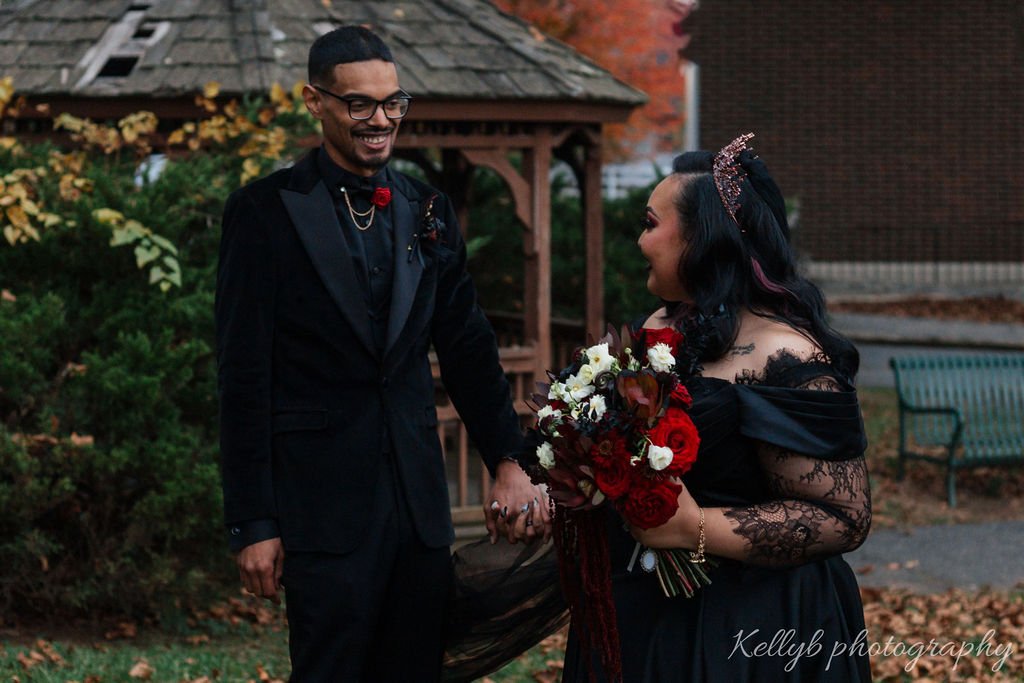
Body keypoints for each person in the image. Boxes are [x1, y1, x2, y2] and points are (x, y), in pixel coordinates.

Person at [215, 25, 547, 682]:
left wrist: (509, 460)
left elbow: (468, 346)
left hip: (419, 510)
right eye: (359, 104)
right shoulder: (261, 213)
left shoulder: (428, 208)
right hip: (320, 510)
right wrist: (253, 521)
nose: (380, 119)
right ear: (316, 102)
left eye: (394, 102)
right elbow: (243, 375)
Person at [560, 134, 873, 681]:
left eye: (651, 223)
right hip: (642, 609)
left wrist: (693, 526)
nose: (639, 240)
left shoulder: (787, 356)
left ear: (702, 238)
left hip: (755, 628)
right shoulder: (660, 329)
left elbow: (843, 519)